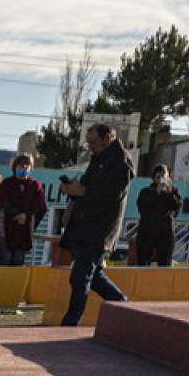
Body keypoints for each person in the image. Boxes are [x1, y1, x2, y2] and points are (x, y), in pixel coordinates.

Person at [58, 123, 135, 326]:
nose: (89, 147)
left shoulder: (121, 161)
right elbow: (88, 188)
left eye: (93, 142)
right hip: (85, 226)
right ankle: (124, 306)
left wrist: (82, 191)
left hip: (100, 229)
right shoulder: (98, 159)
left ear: (107, 138)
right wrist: (73, 190)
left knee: (80, 277)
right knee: (94, 276)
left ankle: (70, 323)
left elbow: (113, 193)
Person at [0, 155, 47, 267]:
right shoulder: (6, 184)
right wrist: (16, 213)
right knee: (5, 259)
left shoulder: (35, 186)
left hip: (24, 230)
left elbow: (39, 206)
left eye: (26, 165)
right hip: (5, 228)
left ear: (31, 167)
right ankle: (0, 284)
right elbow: (1, 201)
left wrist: (26, 216)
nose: (23, 167)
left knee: (18, 261)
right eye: (20, 165)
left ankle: (15, 284)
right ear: (14, 167)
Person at [133, 165, 178, 267]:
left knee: (164, 262)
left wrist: (168, 193)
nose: (160, 180)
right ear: (154, 178)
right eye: (158, 177)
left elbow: (176, 207)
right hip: (147, 229)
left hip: (165, 231)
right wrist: (156, 192)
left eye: (163, 177)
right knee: (143, 261)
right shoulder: (146, 191)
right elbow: (142, 208)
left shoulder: (173, 192)